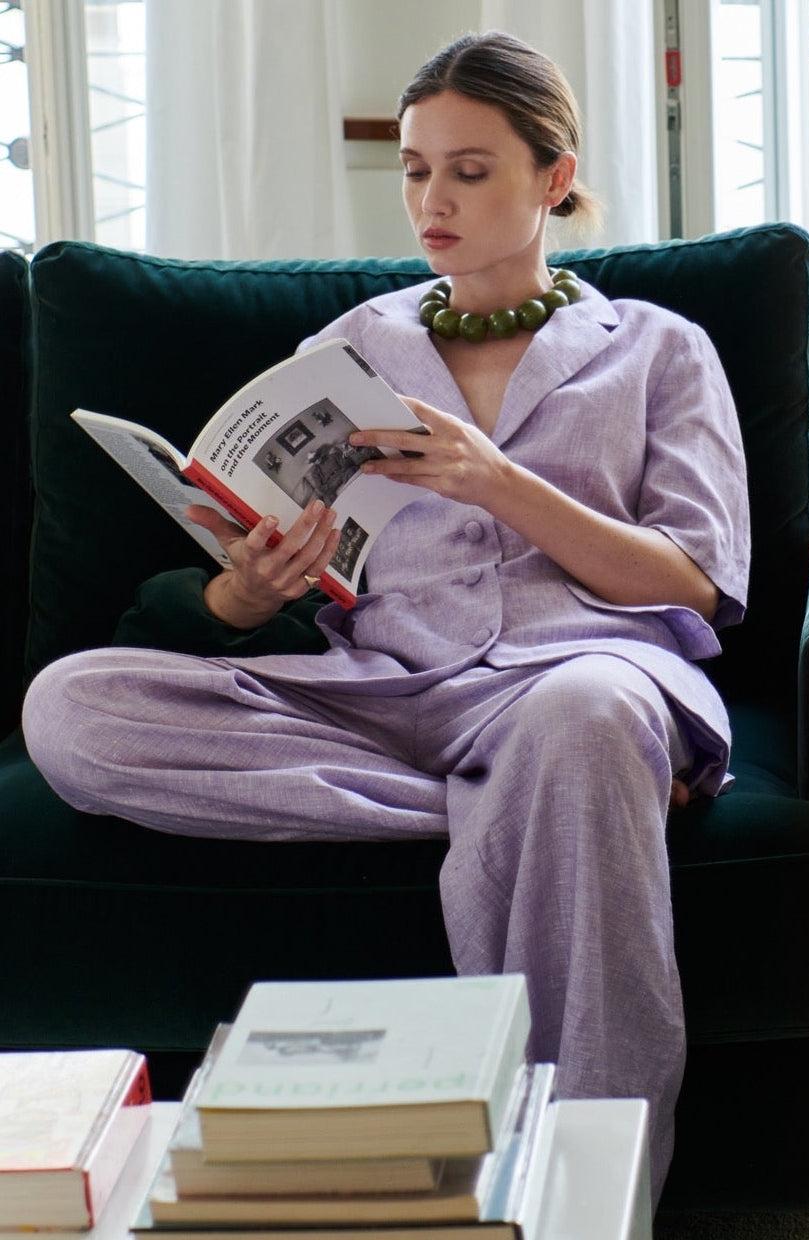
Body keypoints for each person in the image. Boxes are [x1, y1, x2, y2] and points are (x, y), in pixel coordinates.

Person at [21, 30, 749, 1206]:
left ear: (553, 177)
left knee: (583, 720)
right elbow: (298, 556)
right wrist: (255, 586)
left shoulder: (660, 349)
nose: (430, 200)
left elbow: (696, 580)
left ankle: (585, 1201)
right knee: (69, 709)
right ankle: (537, 806)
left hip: (572, 674)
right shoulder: (353, 346)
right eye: (415, 170)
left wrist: (497, 481)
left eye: (468, 169)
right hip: (378, 692)